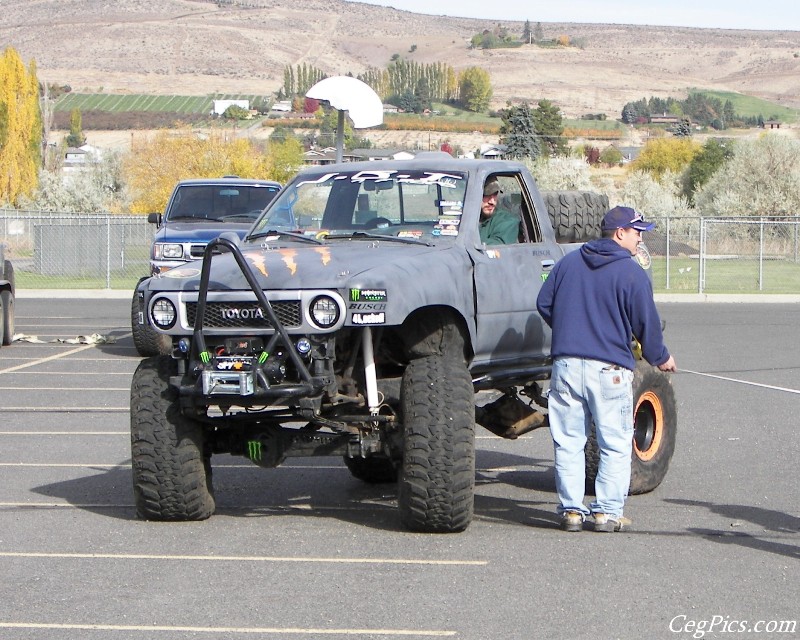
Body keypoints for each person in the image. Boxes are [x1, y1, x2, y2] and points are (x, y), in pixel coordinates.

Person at [536, 205, 677, 533]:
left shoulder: (568, 263)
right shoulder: (631, 273)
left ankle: (571, 510)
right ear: (619, 233)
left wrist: (570, 329)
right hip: (609, 369)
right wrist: (662, 358)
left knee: (569, 441)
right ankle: (607, 512)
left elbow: (544, 303)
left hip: (566, 365)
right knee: (614, 442)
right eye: (637, 231)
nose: (641, 237)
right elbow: (647, 324)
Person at [478, 179, 519, 245]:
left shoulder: (507, 221)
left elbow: (499, 247)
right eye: (487, 195)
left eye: (495, 194)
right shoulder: (463, 217)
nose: (492, 201)